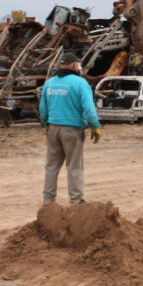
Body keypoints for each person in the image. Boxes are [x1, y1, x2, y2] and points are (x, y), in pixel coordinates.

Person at [39, 52, 101, 205]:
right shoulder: (80, 83)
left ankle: (48, 200)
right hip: (72, 130)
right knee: (74, 166)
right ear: (74, 65)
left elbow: (43, 109)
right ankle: (76, 199)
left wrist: (46, 123)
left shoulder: (50, 83)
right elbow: (88, 109)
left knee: (51, 165)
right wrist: (95, 126)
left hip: (53, 129)